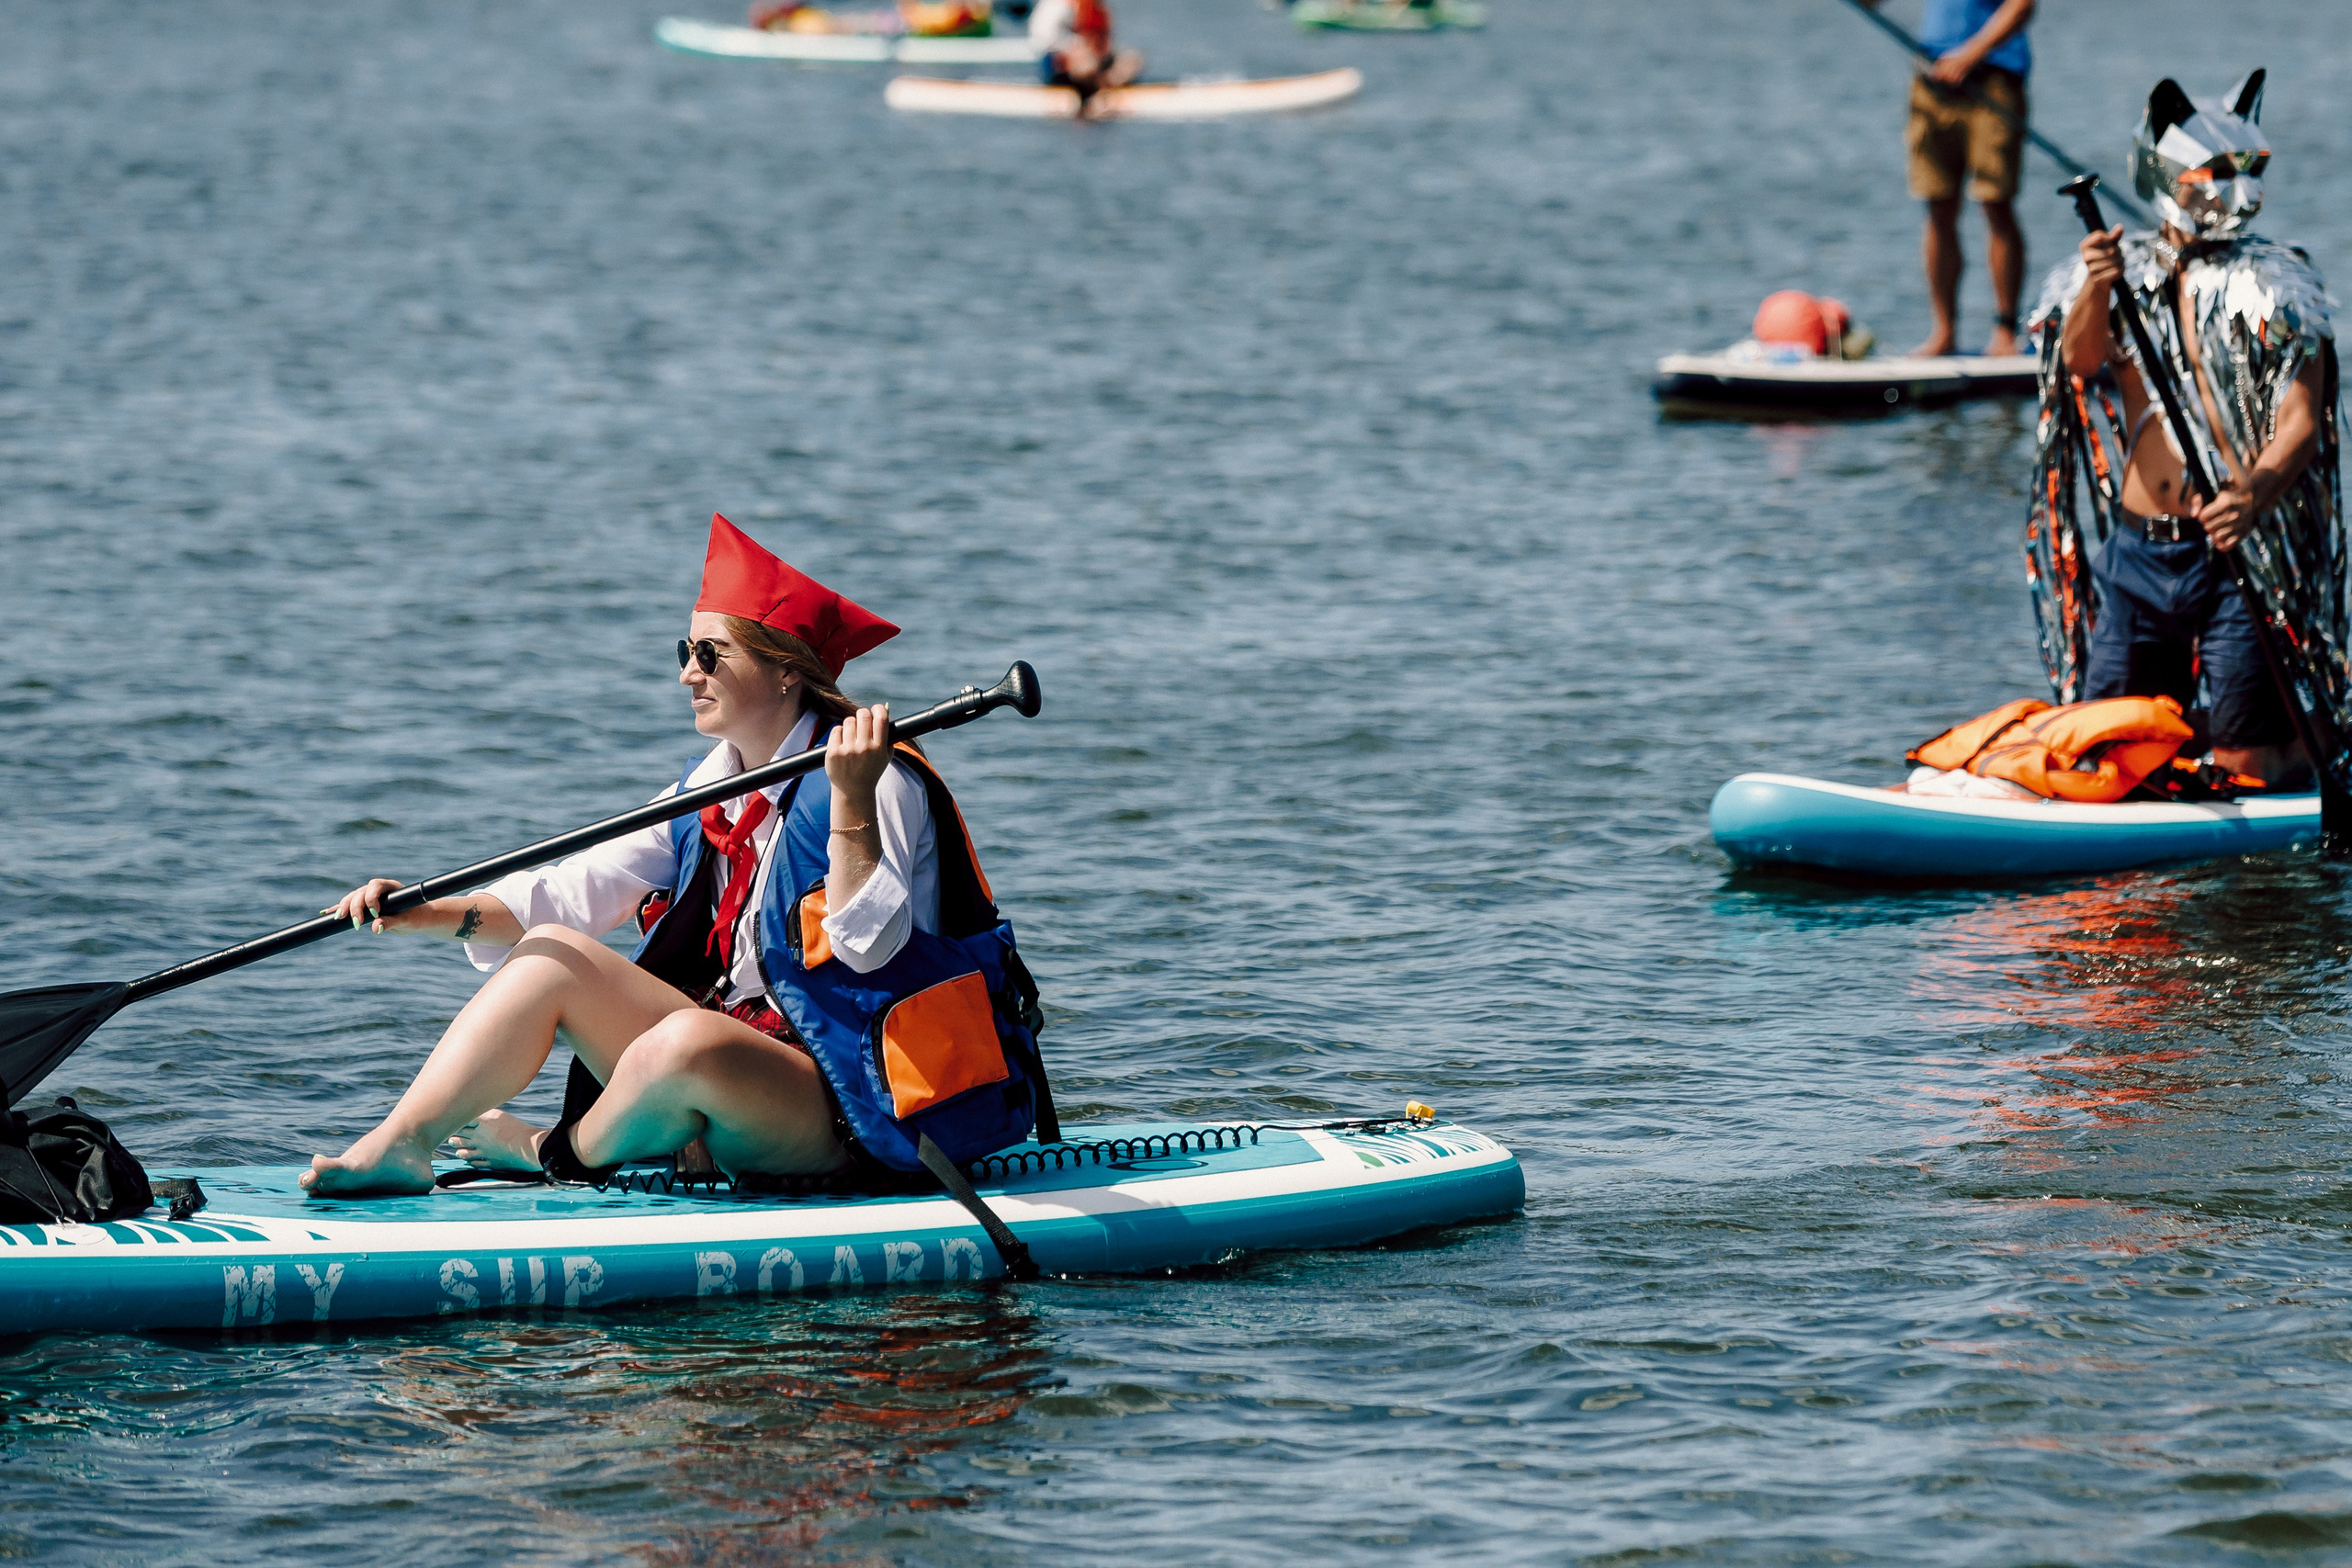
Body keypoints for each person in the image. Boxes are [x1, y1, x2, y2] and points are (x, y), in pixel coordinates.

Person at [301, 515, 1045, 1196]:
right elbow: (563, 898)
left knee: (685, 1040)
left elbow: (867, 950)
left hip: (860, 1097)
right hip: (741, 1062)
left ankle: (542, 1150)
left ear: (787, 669)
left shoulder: (874, 776)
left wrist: (850, 801)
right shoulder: (710, 787)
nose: (689, 671)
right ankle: (401, 1141)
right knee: (552, 952)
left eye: (711, 653)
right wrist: (424, 915)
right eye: (685, 650)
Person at [2028, 71, 2340, 791]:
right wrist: (2099, 283)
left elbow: (2300, 421)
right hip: (2139, 552)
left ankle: (2313, 741)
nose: (2229, 185)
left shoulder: (2278, 282)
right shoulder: (2121, 267)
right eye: (2213, 169)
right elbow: (2080, 361)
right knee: (2113, 750)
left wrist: (2254, 493)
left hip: (2238, 548)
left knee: (2246, 767)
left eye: (2244, 168)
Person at [1872, 0, 2035, 356]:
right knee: (1937, 207)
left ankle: (2005, 331)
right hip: (1932, 78)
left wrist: (1971, 53)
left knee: (1996, 204)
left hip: (1992, 78)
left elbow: (2022, 6)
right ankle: (1943, 333)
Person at [1028, 0, 1139, 103]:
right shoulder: (1057, 6)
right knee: (1087, 63)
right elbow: (1044, 39)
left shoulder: (1098, 7)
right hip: (1061, 64)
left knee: (1132, 60)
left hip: (1097, 60)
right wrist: (1075, 48)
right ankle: (1094, 90)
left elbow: (1104, 40)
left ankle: (1103, 84)